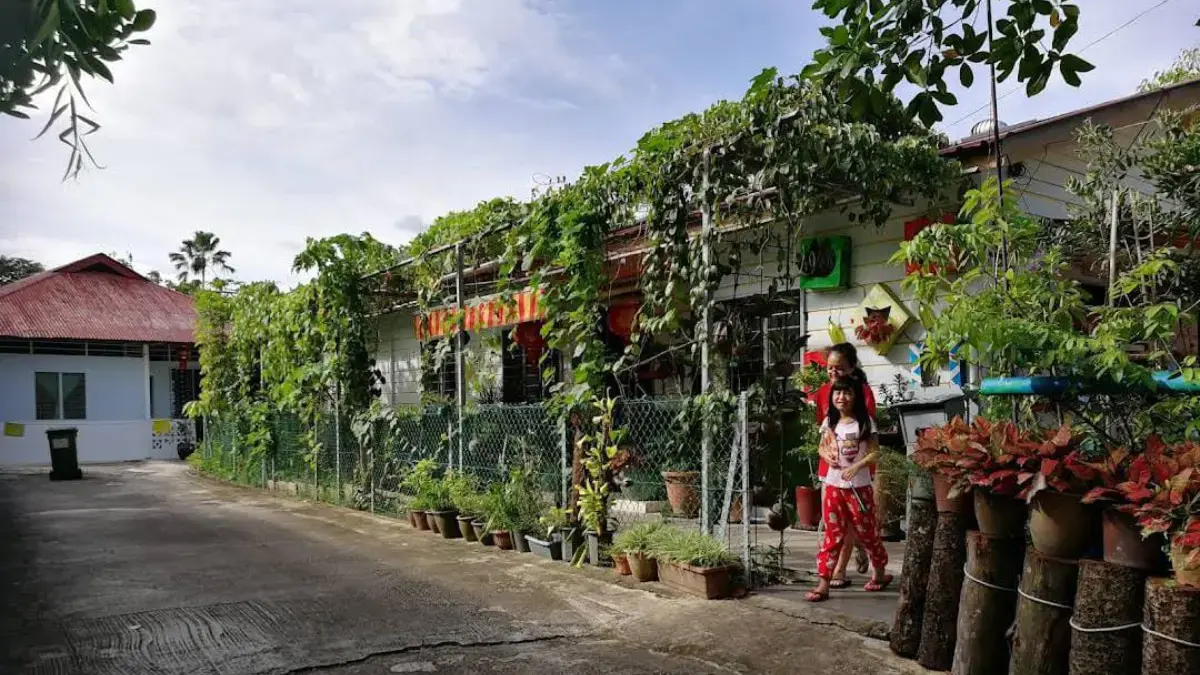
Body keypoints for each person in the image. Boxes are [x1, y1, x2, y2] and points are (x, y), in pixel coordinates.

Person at [807, 377, 892, 602]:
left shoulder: (865, 423)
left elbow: (875, 452)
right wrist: (828, 456)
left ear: (856, 397)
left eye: (847, 393)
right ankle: (823, 583)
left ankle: (880, 573)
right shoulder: (830, 422)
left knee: (868, 533)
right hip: (834, 486)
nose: (841, 398)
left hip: (859, 488)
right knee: (832, 535)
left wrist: (857, 466)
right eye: (837, 393)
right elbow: (821, 448)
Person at [809, 343, 877, 586]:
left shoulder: (862, 392)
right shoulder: (823, 393)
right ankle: (852, 549)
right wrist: (826, 454)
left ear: (851, 368)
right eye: (830, 368)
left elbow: (865, 433)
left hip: (855, 467)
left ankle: (840, 569)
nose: (834, 372)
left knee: (849, 521)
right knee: (834, 520)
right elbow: (824, 431)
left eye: (839, 368)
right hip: (830, 465)